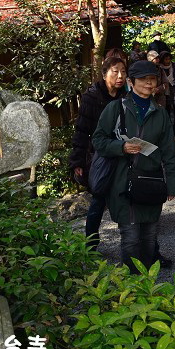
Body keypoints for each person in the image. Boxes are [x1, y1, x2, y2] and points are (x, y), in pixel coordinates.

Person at [92, 60, 175, 273]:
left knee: (150, 235)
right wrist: (121, 146)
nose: (150, 84)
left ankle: (147, 286)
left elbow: (169, 152)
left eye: (153, 79)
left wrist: (173, 185)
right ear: (130, 82)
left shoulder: (160, 113)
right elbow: (98, 140)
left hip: (151, 181)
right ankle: (132, 285)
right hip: (123, 182)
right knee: (130, 236)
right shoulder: (115, 108)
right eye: (144, 80)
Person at [68, 56, 128, 249]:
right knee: (98, 200)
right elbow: (82, 130)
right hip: (98, 157)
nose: (120, 76)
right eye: (115, 71)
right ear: (104, 74)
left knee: (125, 198)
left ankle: (132, 244)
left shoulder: (125, 97)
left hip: (121, 153)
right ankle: (91, 246)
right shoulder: (91, 96)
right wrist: (77, 161)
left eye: (123, 72)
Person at [158, 50, 175, 136]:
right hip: (164, 92)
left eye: (169, 59)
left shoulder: (174, 66)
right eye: (166, 59)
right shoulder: (159, 68)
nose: (167, 61)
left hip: (174, 90)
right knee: (167, 110)